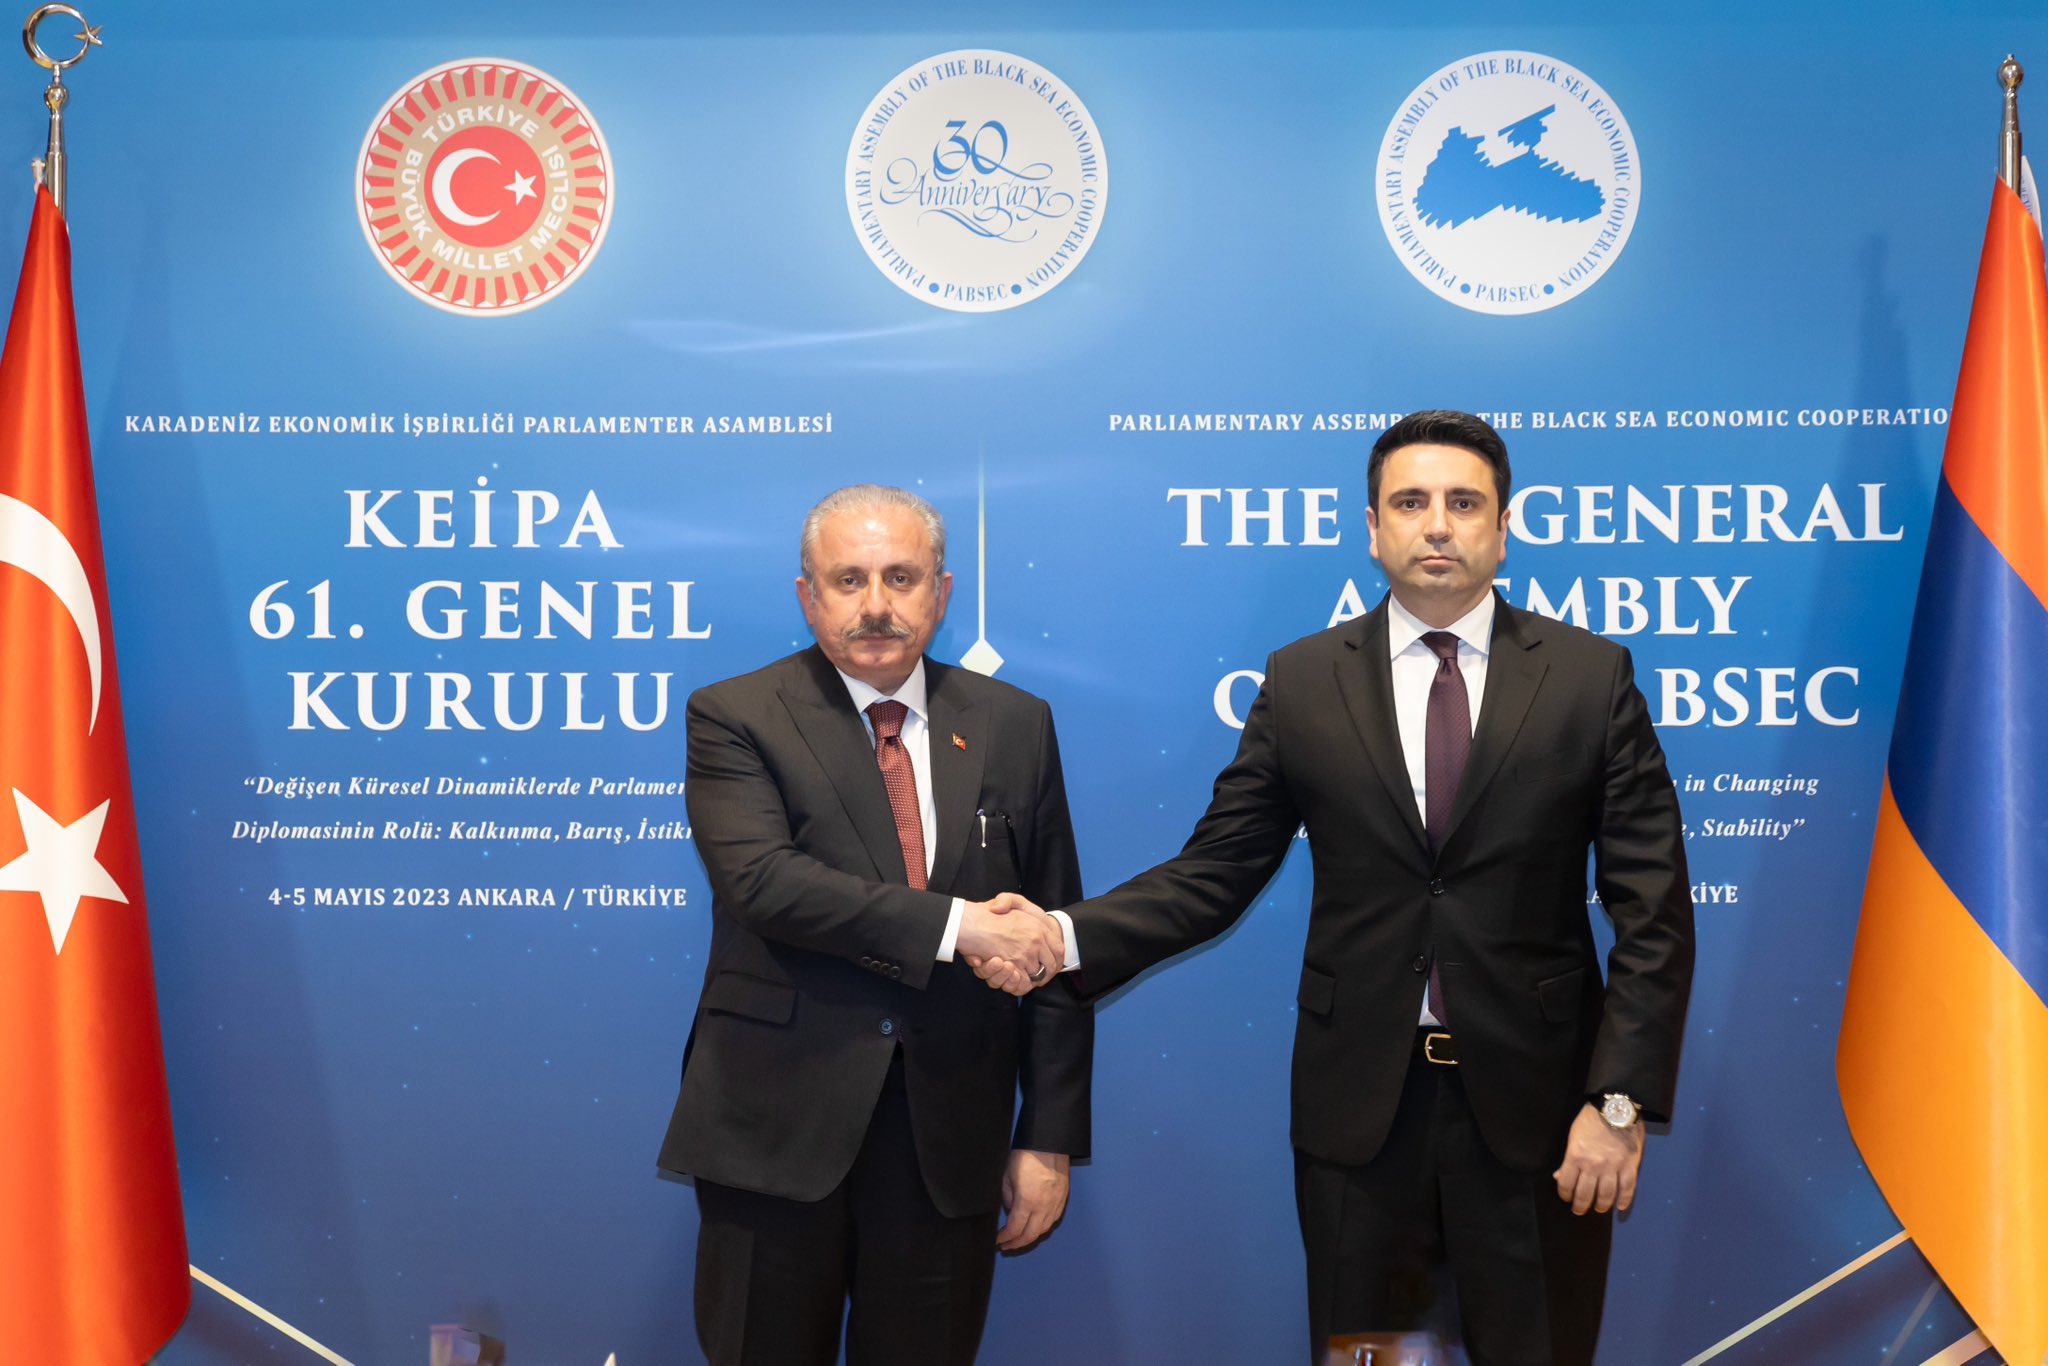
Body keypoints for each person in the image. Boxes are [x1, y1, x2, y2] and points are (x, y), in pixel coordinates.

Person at [982, 411, 1694, 1366]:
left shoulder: (1588, 677)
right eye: (1411, 502)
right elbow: (1217, 870)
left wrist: (1618, 1104)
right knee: (1372, 1357)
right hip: (1361, 1120)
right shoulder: (1305, 681)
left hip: (1544, 1118)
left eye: (1463, 503)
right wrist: (1061, 938)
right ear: (1372, 528)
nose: (1436, 525)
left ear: (1503, 528)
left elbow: (1654, 913)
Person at [659, 484, 1088, 1366]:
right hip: (775, 1128)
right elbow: (765, 884)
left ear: (942, 590)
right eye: (848, 580)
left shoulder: (1015, 724)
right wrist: (961, 927)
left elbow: (1053, 941)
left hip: (948, 1139)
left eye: (901, 577)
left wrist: (1047, 1136)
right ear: (807, 595)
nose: (876, 605)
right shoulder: (736, 714)